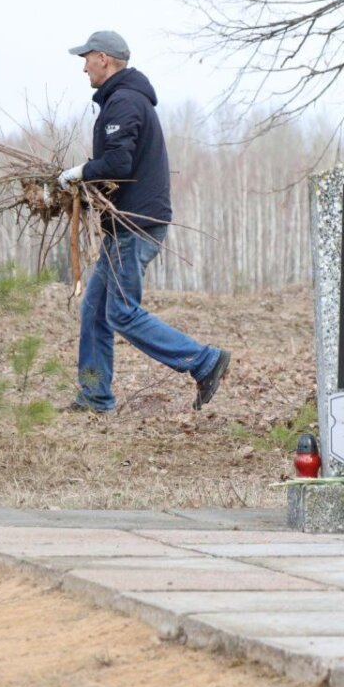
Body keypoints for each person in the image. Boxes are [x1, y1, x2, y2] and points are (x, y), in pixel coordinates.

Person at [58, 30, 230, 413]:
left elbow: (118, 163)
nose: (83, 67)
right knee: (94, 309)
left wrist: (80, 172)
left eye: (86, 58)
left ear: (104, 58)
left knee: (120, 312)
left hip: (136, 225)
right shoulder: (123, 100)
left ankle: (204, 361)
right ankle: (94, 395)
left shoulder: (124, 103)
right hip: (128, 223)